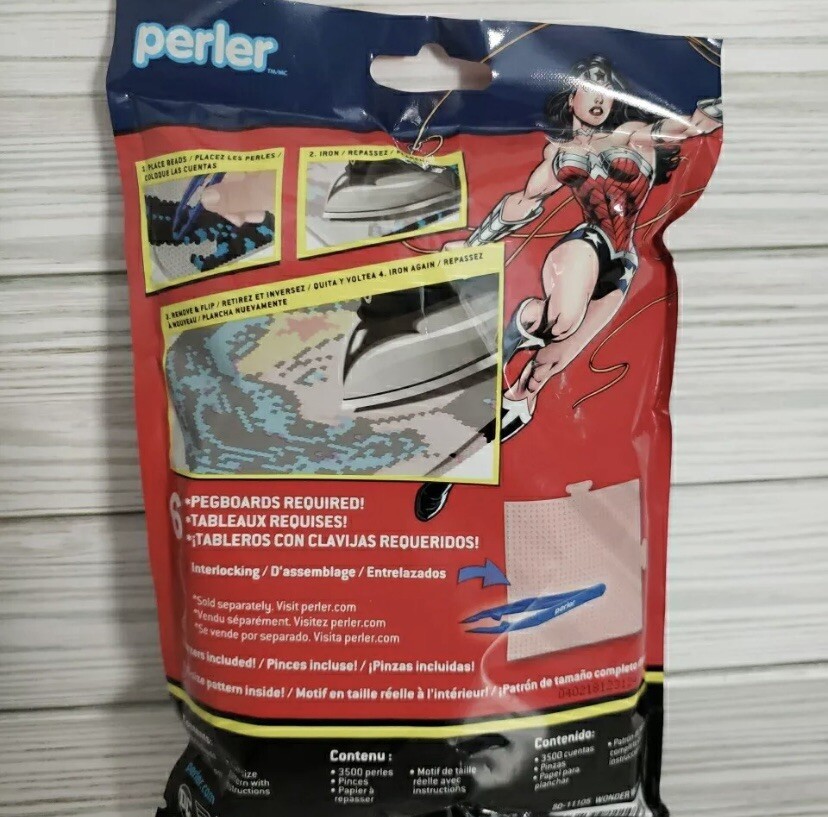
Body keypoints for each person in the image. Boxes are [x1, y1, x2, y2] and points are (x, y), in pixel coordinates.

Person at [415, 54, 722, 522]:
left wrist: (714, 109)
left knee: (540, 375)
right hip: (586, 244)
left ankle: (448, 470)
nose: (598, 100)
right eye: (589, 89)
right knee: (560, 320)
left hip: (623, 267)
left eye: (606, 92)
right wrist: (472, 247)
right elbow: (522, 202)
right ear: (572, 96)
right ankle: (517, 328)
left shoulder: (634, 134)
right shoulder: (558, 155)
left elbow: (684, 128)